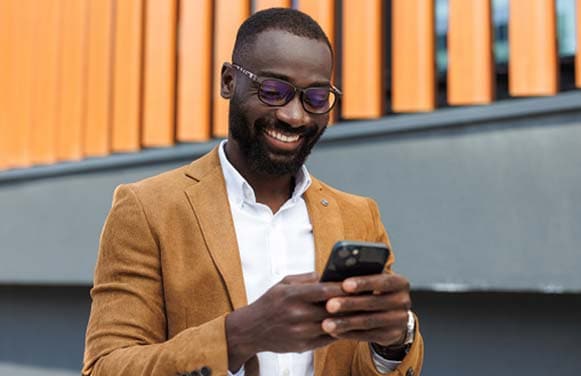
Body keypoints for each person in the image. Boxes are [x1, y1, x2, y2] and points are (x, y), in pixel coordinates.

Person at [83, 8, 423, 376]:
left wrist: (393, 342)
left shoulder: (359, 215)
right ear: (229, 81)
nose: (295, 116)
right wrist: (239, 335)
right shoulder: (149, 209)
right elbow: (106, 367)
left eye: (316, 97)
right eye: (274, 91)